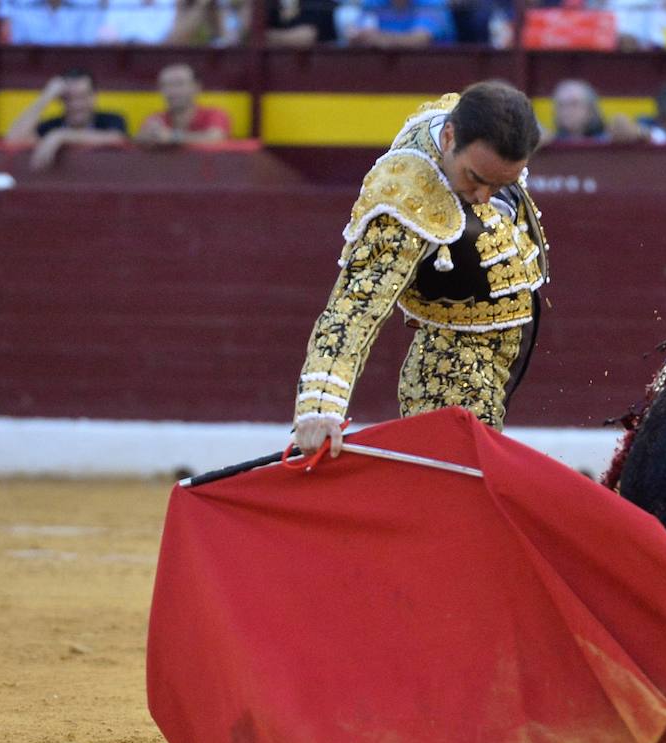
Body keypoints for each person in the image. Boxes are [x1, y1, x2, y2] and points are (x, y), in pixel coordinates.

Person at [292, 81, 549, 462]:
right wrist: (319, 406)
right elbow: (355, 306)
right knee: (457, 490)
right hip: (451, 366)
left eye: (502, 185)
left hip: (501, 353)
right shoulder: (406, 199)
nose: (484, 198)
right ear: (449, 138)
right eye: (476, 179)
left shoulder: (471, 120)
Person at [4, 69, 128, 171]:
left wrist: (62, 136)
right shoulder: (51, 126)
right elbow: (13, 139)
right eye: (69, 98)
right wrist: (46, 96)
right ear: (61, 100)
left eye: (82, 97)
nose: (76, 105)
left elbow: (117, 138)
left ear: (94, 97)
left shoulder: (112, 119)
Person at [135, 63, 232, 146]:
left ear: (197, 87)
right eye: (166, 85)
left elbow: (215, 137)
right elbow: (139, 138)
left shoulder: (215, 114)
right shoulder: (157, 118)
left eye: (179, 84)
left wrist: (172, 137)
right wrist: (145, 137)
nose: (173, 91)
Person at [342, 0, 456, 47]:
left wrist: (380, 38)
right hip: (382, 74)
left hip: (431, 70)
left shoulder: (432, 3)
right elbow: (354, 34)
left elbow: (420, 39)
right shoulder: (374, 3)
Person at [0, 0, 103, 44]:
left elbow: (87, 49)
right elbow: (21, 54)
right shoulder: (22, 8)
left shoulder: (87, 6)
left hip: (77, 77)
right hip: (32, 77)